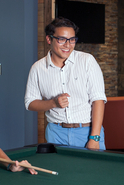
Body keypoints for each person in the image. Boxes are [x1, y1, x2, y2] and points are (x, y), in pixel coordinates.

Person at [25, 17, 106, 150]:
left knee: (92, 170)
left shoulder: (87, 61)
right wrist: (53, 103)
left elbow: (98, 100)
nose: (67, 45)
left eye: (72, 39)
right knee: (58, 170)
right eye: (61, 39)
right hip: (55, 133)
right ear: (49, 39)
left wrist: (94, 137)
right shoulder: (37, 68)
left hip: (87, 132)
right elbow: (30, 103)